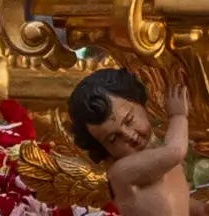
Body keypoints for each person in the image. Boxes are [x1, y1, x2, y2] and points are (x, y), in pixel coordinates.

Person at [64, 68, 191, 216]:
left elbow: (176, 199)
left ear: (141, 103)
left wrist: (202, 209)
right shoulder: (121, 173)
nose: (128, 135)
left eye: (129, 120)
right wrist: (178, 115)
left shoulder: (160, 152)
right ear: (102, 148)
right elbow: (176, 151)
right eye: (113, 139)